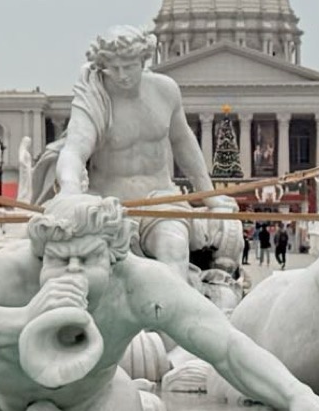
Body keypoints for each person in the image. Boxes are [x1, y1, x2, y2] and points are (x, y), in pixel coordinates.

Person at [0, 195, 319, 411]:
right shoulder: (3, 271)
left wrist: (297, 395)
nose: (73, 274)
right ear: (39, 254)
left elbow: (226, 346)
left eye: (88, 260)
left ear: (116, 256)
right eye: (59, 261)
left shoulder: (141, 283)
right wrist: (25, 318)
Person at [53, 27, 214, 270]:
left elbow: (183, 142)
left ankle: (170, 306)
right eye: (114, 68)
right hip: (109, 204)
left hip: (160, 200)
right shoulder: (94, 97)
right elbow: (74, 150)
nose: (122, 75)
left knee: (173, 249)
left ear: (143, 60)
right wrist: (70, 189)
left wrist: (209, 195)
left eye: (129, 66)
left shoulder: (165, 90)